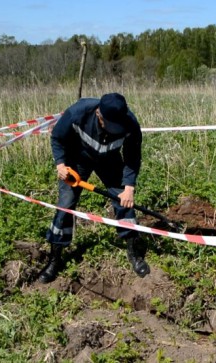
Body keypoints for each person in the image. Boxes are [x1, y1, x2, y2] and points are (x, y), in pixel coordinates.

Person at [38, 93, 149, 283]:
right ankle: (55, 258)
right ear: (99, 114)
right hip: (78, 158)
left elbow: (133, 156)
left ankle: (134, 251)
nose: (116, 130)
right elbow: (57, 138)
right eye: (111, 125)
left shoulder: (130, 123)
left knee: (123, 199)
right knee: (66, 203)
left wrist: (129, 186)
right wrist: (60, 164)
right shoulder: (77, 113)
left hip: (110, 159)